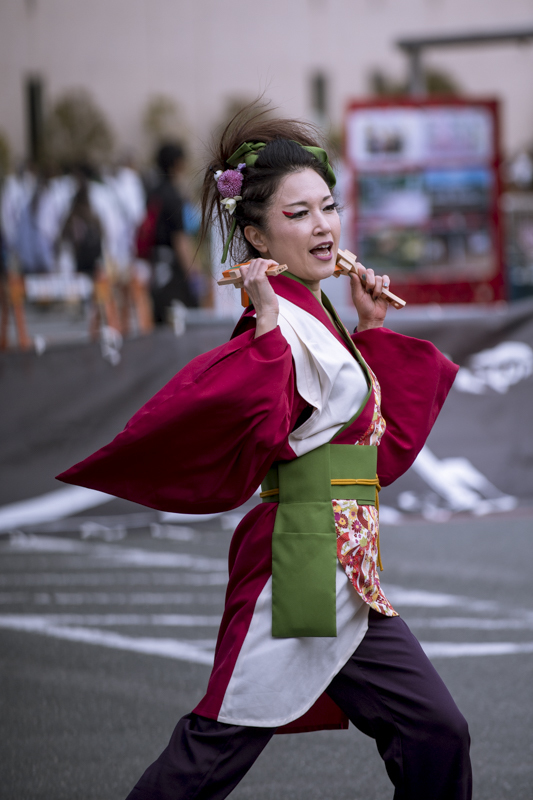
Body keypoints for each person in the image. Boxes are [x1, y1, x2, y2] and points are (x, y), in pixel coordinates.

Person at [57, 108, 472, 800]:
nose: (323, 226)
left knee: (436, 732)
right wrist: (269, 333)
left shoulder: (318, 312)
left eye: (329, 207)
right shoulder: (273, 320)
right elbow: (256, 426)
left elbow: (371, 456)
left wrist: (370, 332)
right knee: (212, 750)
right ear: (255, 234)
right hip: (298, 565)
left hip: (346, 568)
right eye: (299, 212)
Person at [145, 142, 199, 322]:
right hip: (173, 269)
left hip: (156, 264)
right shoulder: (173, 196)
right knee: (181, 316)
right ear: (177, 163)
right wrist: (193, 272)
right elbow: (180, 238)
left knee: (159, 315)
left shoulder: (153, 192)